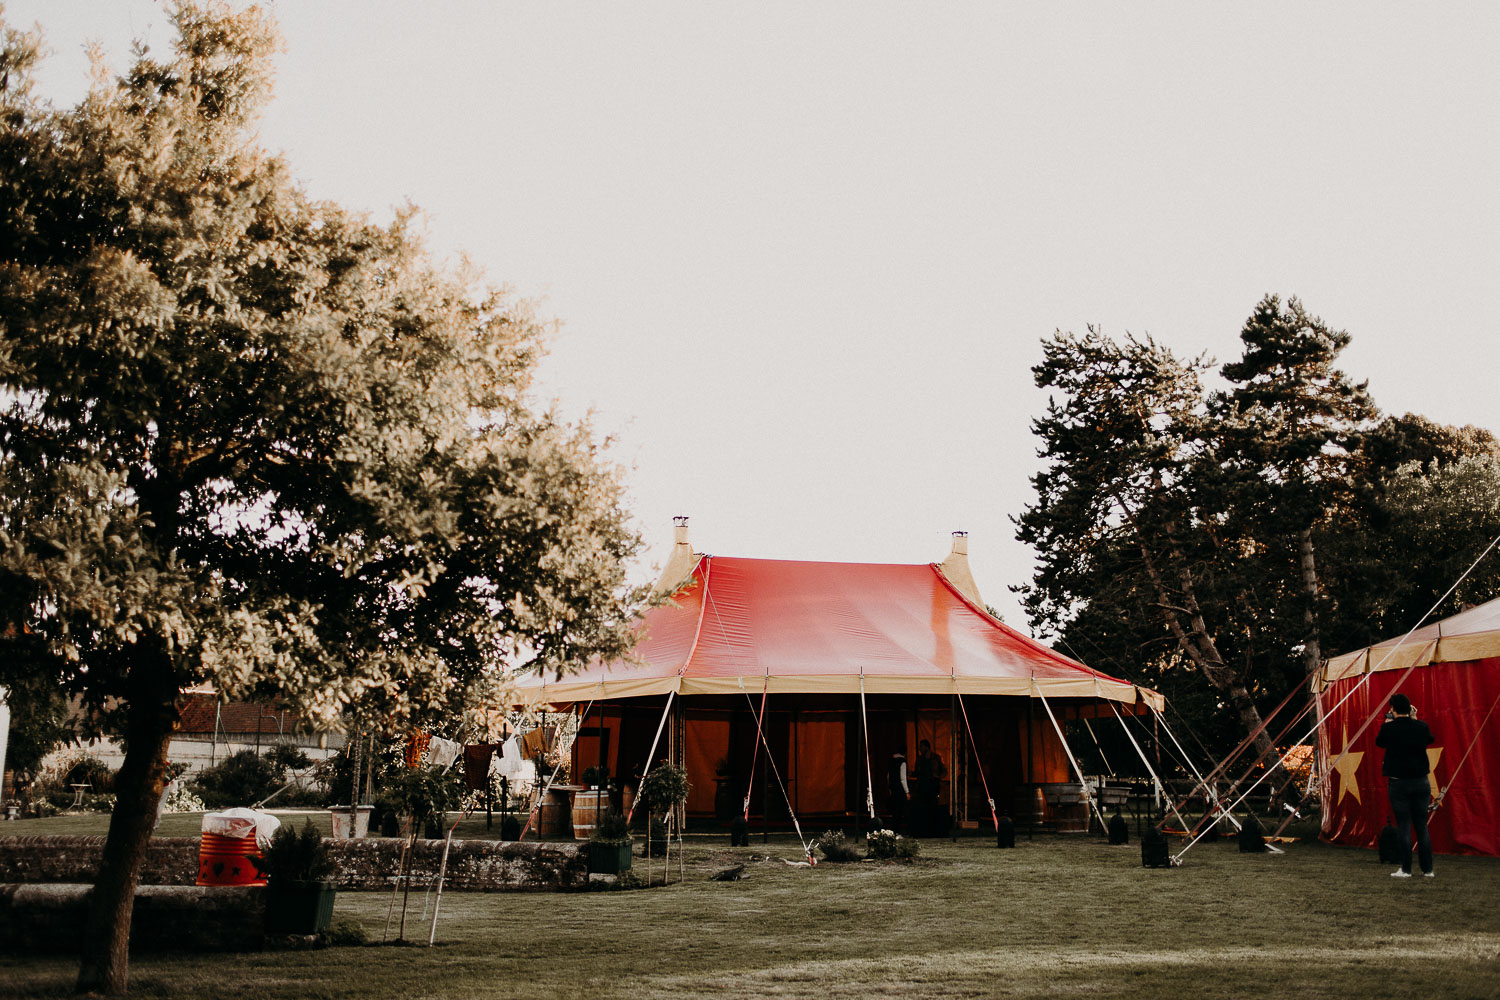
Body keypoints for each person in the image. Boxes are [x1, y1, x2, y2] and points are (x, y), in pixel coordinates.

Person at [1375, 693, 1436, 878]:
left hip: (1399, 782)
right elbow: (1428, 739)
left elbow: (1380, 742)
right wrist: (1415, 720)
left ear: (1392, 709)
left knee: (1404, 825)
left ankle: (1406, 869)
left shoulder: (1389, 728)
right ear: (1410, 709)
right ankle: (1428, 869)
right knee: (1421, 826)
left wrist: (1387, 724)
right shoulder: (1421, 726)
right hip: (1420, 781)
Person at [913, 739, 947, 836]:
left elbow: (944, 770)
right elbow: (917, 772)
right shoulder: (919, 759)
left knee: (934, 806)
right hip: (922, 786)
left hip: (933, 785)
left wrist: (939, 777)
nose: (920, 749)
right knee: (923, 807)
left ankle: (934, 828)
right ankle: (925, 829)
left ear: (927, 747)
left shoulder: (936, 758)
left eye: (921, 746)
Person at [887, 747, 909, 831]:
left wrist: (889, 788)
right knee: (899, 811)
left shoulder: (891, 761)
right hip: (900, 789)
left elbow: (888, 776)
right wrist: (907, 792)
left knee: (894, 812)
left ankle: (894, 830)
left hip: (893, 788)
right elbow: (903, 778)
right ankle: (898, 831)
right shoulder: (902, 762)